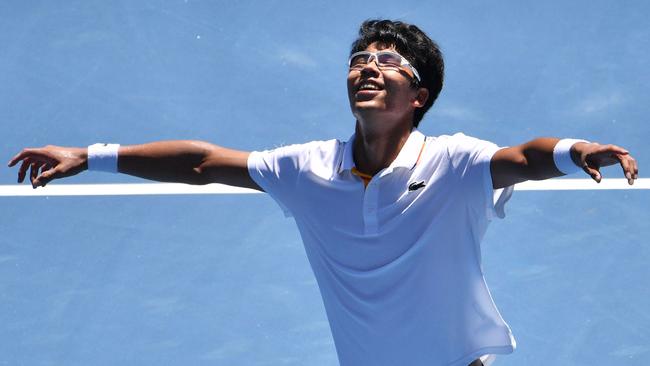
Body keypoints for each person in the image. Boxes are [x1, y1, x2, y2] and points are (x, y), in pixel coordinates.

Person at [8, 19, 638, 366]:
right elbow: (201, 162)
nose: (366, 66)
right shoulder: (306, 169)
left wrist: (575, 151)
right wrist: (92, 155)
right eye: (359, 59)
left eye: (387, 62)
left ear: (419, 97)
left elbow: (523, 157)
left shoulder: (454, 162)